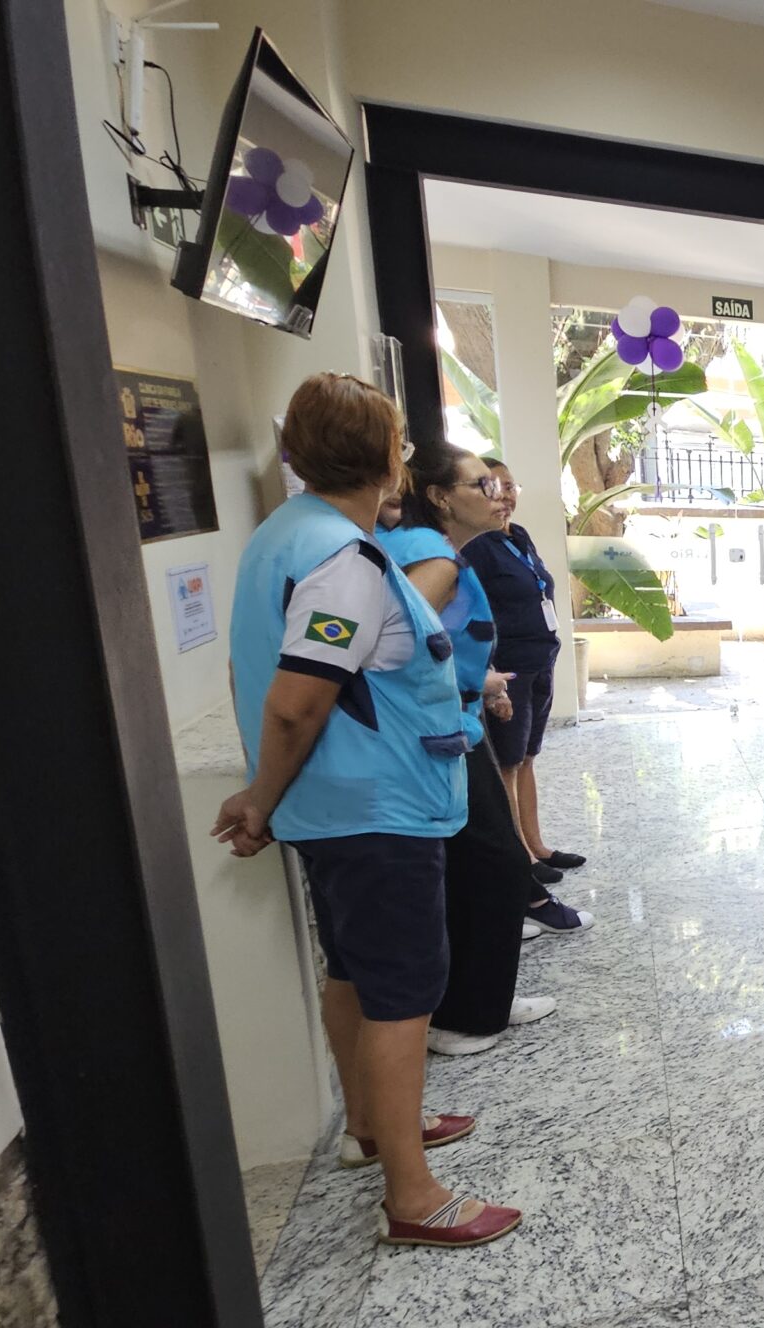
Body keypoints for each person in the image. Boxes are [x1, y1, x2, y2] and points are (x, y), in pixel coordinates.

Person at [214, 373, 519, 1248]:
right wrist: (259, 799)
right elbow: (298, 700)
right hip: (372, 812)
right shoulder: (341, 559)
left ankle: (373, 1128)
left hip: (337, 806)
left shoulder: (284, 537)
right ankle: (414, 1195)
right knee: (403, 993)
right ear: (390, 458)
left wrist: (271, 791)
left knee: (351, 971)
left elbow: (259, 679)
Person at [382, 442, 562, 1057]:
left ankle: (481, 1000)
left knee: (483, 863)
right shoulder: (432, 559)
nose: (497, 494)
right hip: (431, 734)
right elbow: (391, 653)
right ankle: (464, 1015)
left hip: (452, 724)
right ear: (439, 497)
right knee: (491, 862)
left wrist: (477, 683)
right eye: (482, 485)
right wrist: (471, 682)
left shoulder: (437, 551)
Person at [464, 460, 581, 885]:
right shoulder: (477, 546)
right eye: (494, 486)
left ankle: (537, 845)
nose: (506, 494)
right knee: (507, 764)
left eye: (511, 485)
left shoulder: (520, 536)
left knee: (527, 757)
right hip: (508, 671)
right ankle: (520, 861)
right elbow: (471, 613)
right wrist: (490, 673)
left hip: (540, 661)